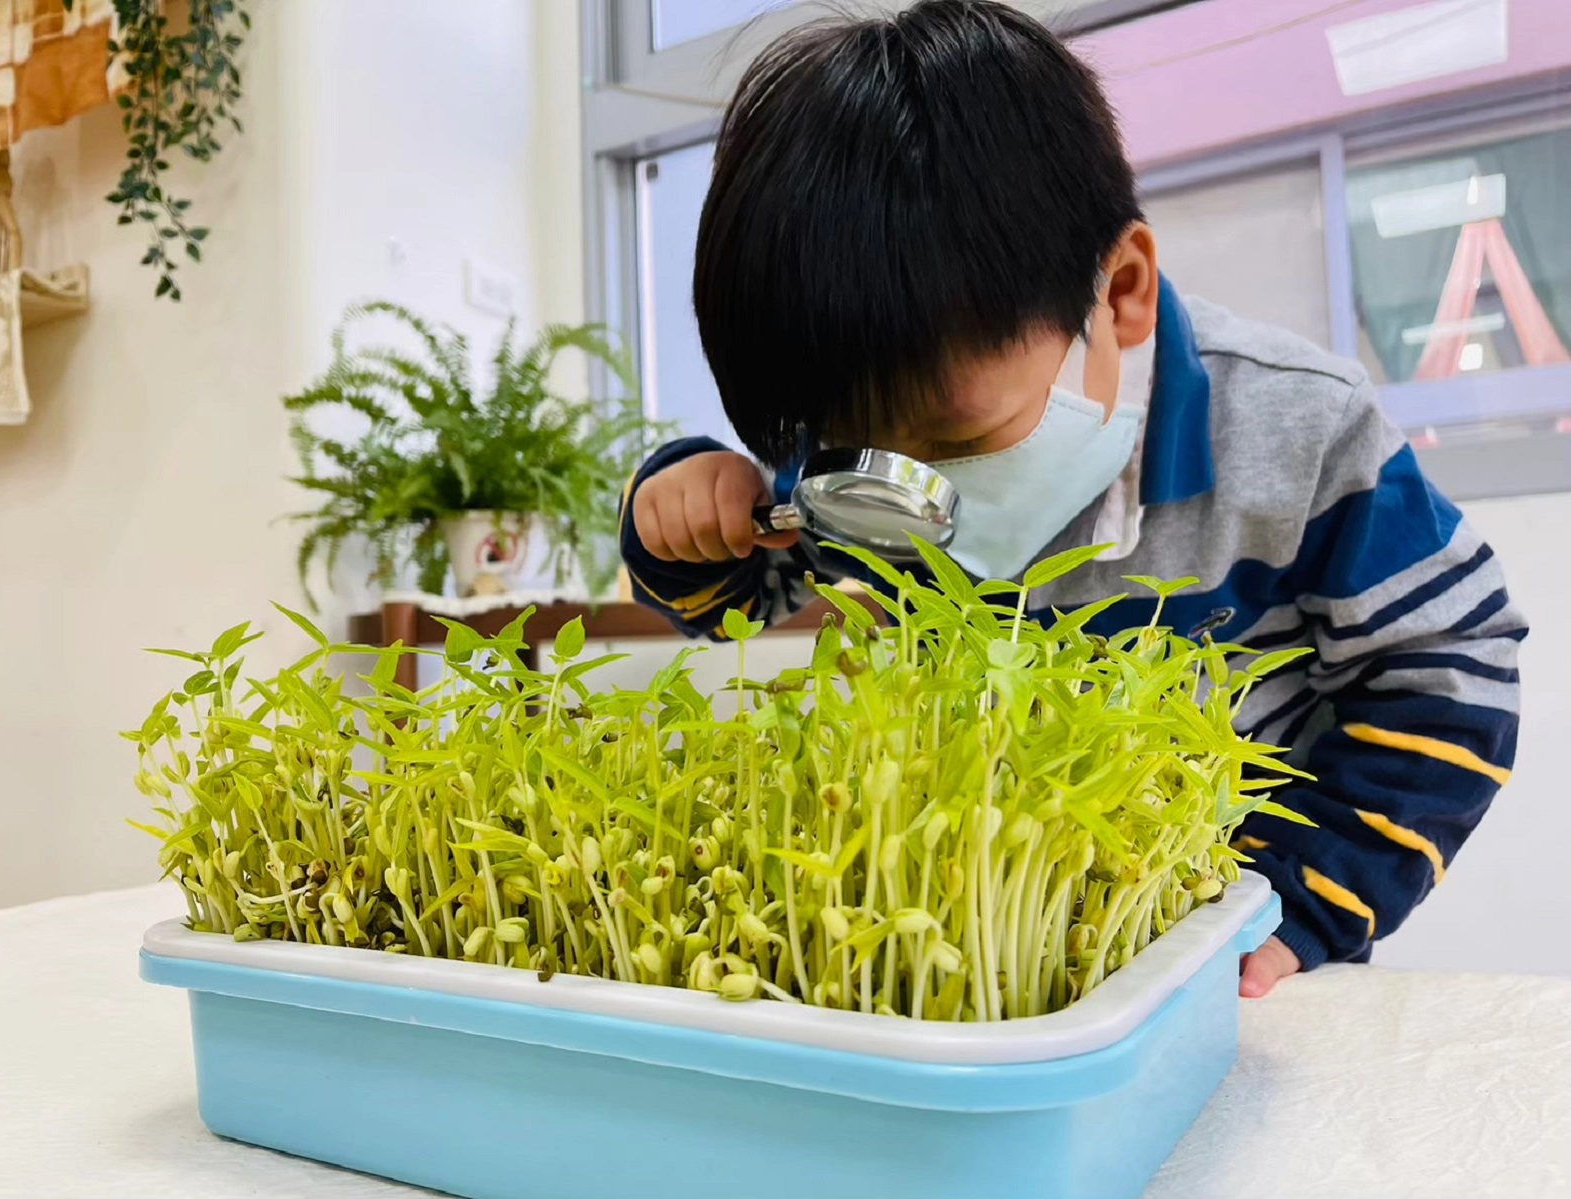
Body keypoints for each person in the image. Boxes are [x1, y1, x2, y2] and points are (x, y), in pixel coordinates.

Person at [618, 0, 1525, 997]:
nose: (919, 488)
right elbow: (730, 601)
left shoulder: (1294, 432)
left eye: (959, 441)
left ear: (1122, 288)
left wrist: (1292, 903)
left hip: (1234, 971)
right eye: (860, 452)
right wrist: (688, 508)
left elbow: (1451, 661)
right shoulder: (855, 469)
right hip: (979, 957)